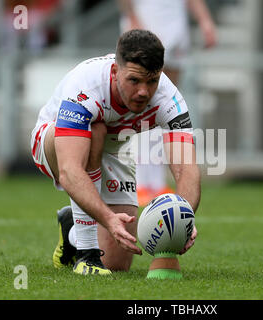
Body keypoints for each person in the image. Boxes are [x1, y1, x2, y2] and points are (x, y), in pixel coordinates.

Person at [30, 29, 200, 275]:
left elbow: (187, 169)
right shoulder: (86, 86)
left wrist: (184, 218)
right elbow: (70, 171)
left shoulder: (169, 97)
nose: (144, 91)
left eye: (151, 81)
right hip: (56, 140)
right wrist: (108, 219)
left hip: (115, 149)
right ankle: (86, 254)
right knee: (96, 129)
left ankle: (71, 230)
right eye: (134, 81)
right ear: (114, 72)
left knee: (117, 263)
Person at [118, 0, 217, 206]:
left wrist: (205, 21)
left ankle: (156, 183)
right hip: (147, 22)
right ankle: (141, 182)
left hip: (175, 25)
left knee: (164, 104)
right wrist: (133, 18)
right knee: (142, 103)